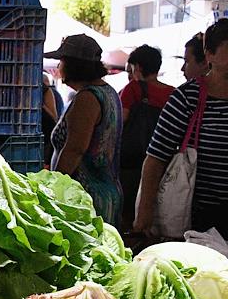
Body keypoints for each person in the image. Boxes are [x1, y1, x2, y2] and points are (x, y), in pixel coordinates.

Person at [135, 19, 228, 238]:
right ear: (210, 55)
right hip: (198, 220)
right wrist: (144, 214)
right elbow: (156, 158)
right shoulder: (187, 98)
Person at [46, 34, 123, 226]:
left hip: (86, 199)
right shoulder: (108, 92)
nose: (59, 66)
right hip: (104, 194)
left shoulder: (87, 98)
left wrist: (53, 188)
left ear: (73, 65)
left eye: (62, 61)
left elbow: (75, 149)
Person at [118, 44, 174, 228]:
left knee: (129, 212)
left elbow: (120, 120)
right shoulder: (173, 93)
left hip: (133, 163)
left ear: (139, 67)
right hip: (165, 162)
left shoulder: (133, 89)